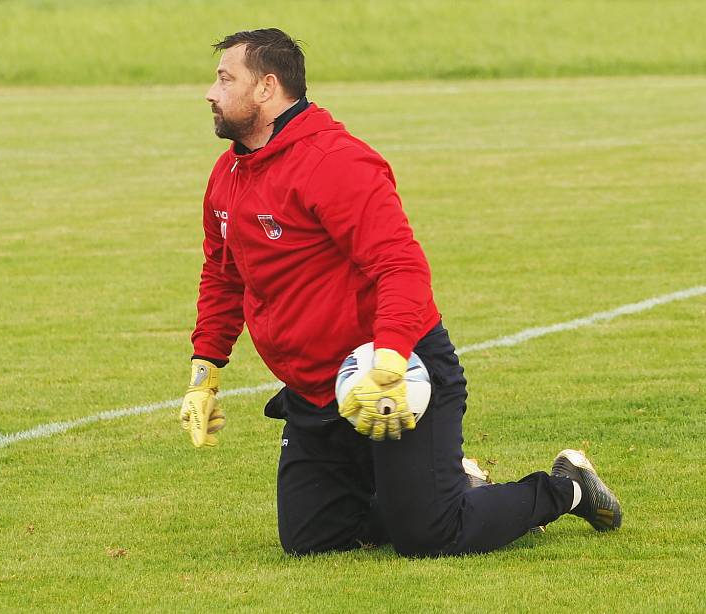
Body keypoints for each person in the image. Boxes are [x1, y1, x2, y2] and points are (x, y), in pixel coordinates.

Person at [180, 28, 622, 556]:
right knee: (312, 544)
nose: (211, 92)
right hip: (316, 389)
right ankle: (445, 485)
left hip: (398, 367)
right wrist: (204, 373)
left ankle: (565, 488)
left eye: (225, 79)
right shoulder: (229, 172)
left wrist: (389, 357)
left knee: (430, 536)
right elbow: (222, 274)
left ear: (266, 88)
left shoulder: (335, 162)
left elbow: (401, 266)